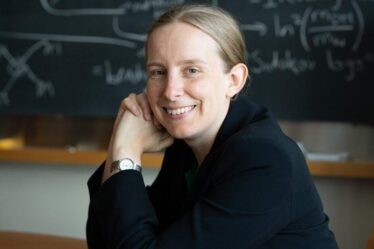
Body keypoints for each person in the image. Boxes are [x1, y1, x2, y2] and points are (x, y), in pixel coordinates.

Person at [86, 4, 339, 249]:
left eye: (192, 70)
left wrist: (126, 152)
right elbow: (107, 241)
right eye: (158, 72)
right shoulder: (188, 144)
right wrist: (120, 140)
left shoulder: (265, 160)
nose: (171, 91)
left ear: (234, 80)